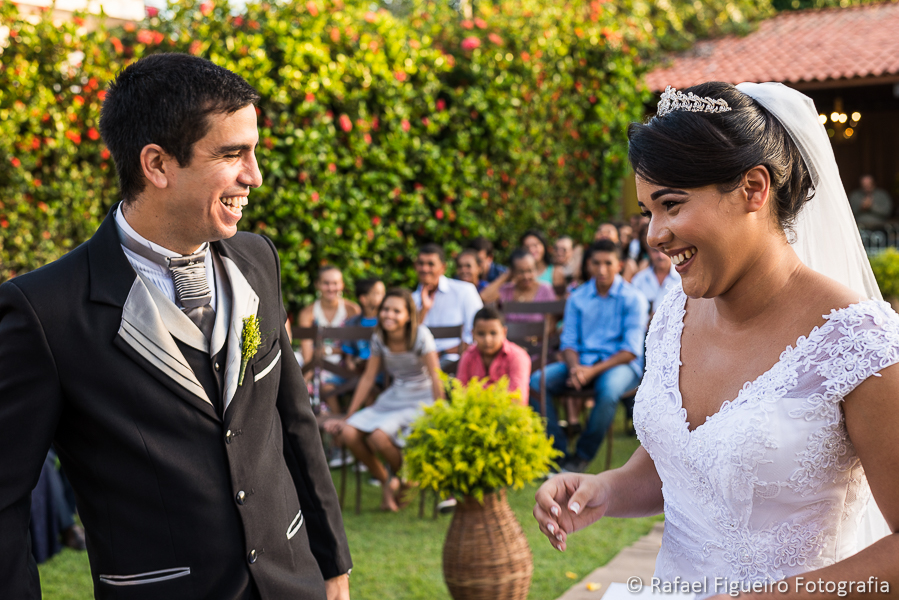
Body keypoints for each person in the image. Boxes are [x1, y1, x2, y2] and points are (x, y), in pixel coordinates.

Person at [0, 54, 351, 599]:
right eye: (233, 153)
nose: (254, 176)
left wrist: (333, 566)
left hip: (294, 583)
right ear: (157, 164)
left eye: (253, 151)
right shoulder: (44, 311)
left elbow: (295, 422)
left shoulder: (260, 259)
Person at [534, 82, 899, 596]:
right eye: (647, 212)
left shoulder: (858, 344)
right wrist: (604, 488)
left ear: (754, 187)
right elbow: (685, 464)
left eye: (672, 204)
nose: (653, 235)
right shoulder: (674, 312)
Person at [529, 240, 648, 473]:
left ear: (619, 265)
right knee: (537, 381)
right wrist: (575, 369)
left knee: (609, 391)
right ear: (588, 265)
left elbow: (630, 351)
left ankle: (581, 456)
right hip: (580, 363)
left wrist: (589, 372)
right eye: (596, 263)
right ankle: (558, 453)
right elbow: (569, 342)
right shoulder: (578, 297)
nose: (602, 269)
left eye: (608, 263)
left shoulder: (634, 298)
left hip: (620, 365)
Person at [322, 289, 443, 512]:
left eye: (396, 311)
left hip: (422, 397)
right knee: (349, 431)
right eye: (386, 309)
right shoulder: (379, 337)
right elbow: (368, 377)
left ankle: (405, 481)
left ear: (408, 315)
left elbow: (436, 375)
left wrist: (441, 410)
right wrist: (349, 416)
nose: (389, 315)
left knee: (379, 436)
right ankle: (390, 481)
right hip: (396, 395)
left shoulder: (420, 336)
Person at [297, 265, 360, 415]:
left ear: (342, 284)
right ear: (318, 285)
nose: (331, 288)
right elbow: (306, 348)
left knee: (325, 382)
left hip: (342, 361)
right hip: (314, 360)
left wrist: (329, 350)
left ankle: (334, 420)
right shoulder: (308, 313)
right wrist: (308, 371)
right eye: (326, 283)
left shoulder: (352, 310)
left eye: (335, 283)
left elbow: (355, 345)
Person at [412, 243, 483, 370]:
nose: (425, 269)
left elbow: (477, 333)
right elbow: (409, 338)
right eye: (421, 263)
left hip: (456, 362)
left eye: (431, 264)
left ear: (443, 267)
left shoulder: (464, 291)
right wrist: (424, 309)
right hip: (419, 364)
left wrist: (443, 353)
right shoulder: (412, 299)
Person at [456, 307, 531, 404]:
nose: (487, 339)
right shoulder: (467, 356)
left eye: (493, 333)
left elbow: (517, 398)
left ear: (504, 332)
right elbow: (459, 393)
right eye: (481, 334)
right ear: (473, 334)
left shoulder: (518, 357)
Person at [482, 248, 556, 320]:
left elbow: (551, 322)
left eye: (530, 270)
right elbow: (484, 297)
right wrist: (506, 276)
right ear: (513, 272)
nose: (526, 276)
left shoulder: (545, 289)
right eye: (521, 272)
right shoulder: (506, 290)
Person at [341, 277, 386, 373]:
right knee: (329, 387)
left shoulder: (386, 321)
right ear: (363, 299)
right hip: (358, 371)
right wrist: (352, 365)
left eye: (384, 293)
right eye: (378, 293)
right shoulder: (352, 323)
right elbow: (349, 357)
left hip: (382, 372)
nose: (384, 297)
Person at [630, 245, 681, 316]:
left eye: (664, 251)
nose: (660, 256)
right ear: (649, 252)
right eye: (655, 251)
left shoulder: (682, 278)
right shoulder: (639, 280)